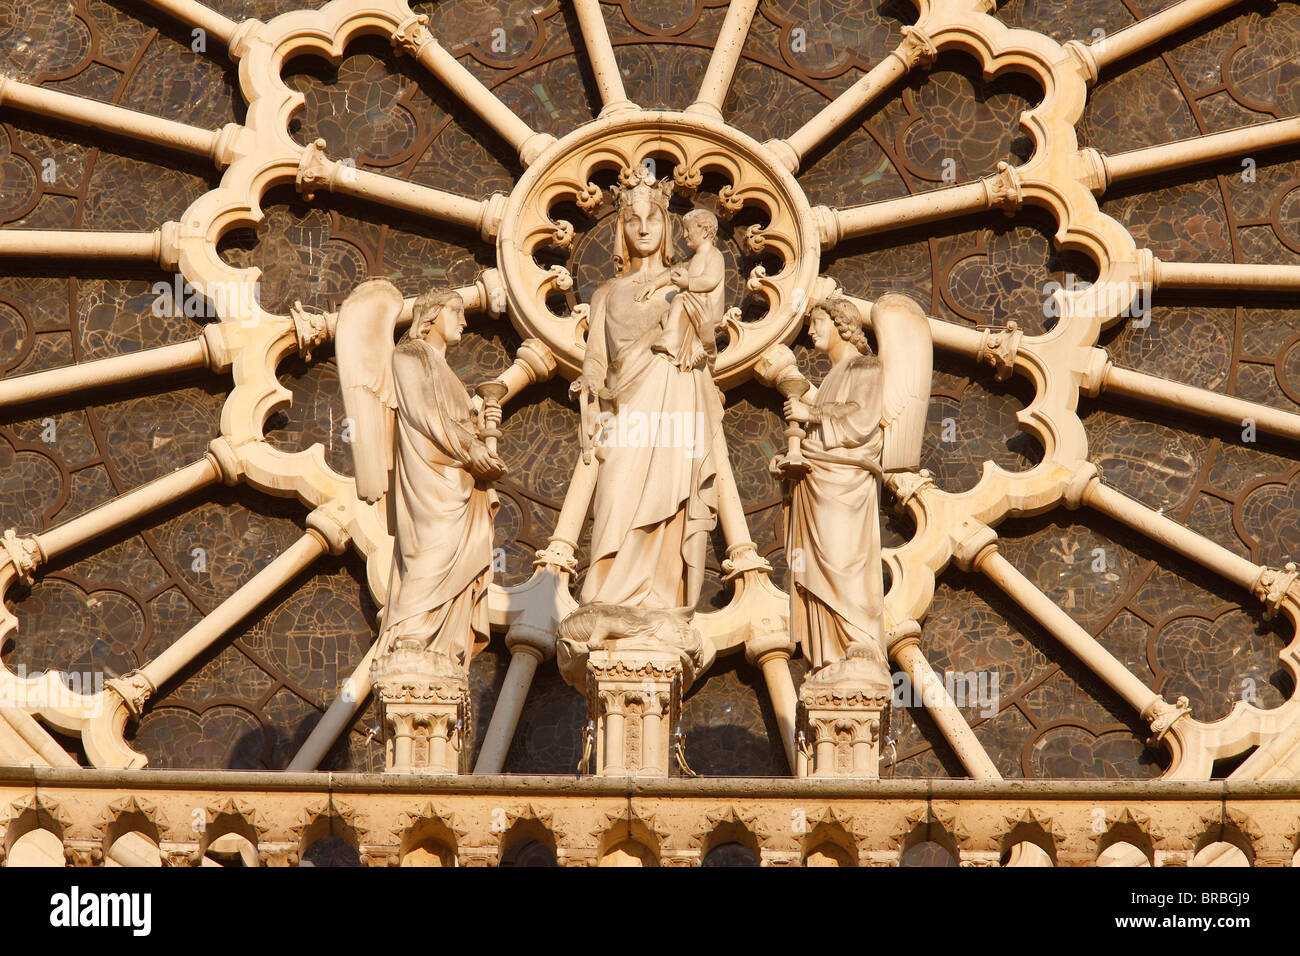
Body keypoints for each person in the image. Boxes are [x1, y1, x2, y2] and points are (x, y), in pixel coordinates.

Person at [569, 173, 726, 611]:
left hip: (674, 397)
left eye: (653, 219)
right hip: (625, 409)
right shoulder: (606, 293)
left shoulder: (685, 279)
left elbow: (706, 330)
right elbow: (597, 357)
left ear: (666, 229)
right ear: (621, 229)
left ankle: (659, 595)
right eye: (633, 220)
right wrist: (589, 380)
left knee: (670, 494)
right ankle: (608, 591)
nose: (642, 228)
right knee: (616, 493)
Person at [378, 288, 504, 670]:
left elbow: (452, 420)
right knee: (430, 551)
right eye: (456, 311)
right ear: (430, 315)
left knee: (452, 555)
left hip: (458, 479)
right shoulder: (409, 355)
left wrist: (483, 431)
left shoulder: (445, 369)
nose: (464, 321)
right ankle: (412, 631)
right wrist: (473, 448)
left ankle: (442, 642)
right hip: (432, 476)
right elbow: (427, 414)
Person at [780, 297, 890, 671]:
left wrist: (809, 413)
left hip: (845, 484)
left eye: (818, 321)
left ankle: (857, 637)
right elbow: (818, 437)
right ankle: (828, 652)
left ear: (842, 325)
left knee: (844, 559)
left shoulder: (866, 367)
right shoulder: (829, 379)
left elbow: (862, 420)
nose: (811, 330)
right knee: (819, 563)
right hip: (817, 483)